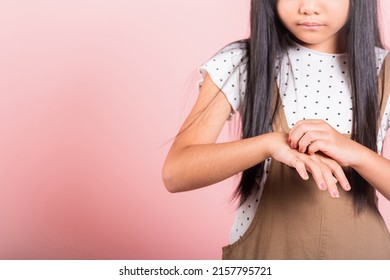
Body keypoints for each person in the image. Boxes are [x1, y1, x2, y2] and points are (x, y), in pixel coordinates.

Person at [162, 0, 390, 259]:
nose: (308, 7)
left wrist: (357, 154)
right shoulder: (243, 62)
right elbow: (176, 173)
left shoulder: (385, 69)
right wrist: (270, 144)